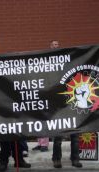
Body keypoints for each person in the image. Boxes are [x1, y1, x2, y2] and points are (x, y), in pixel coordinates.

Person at [51, 40, 82, 168]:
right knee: (58, 136)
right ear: (50, 47)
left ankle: (75, 158)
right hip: (58, 106)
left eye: (57, 45)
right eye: (53, 45)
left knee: (75, 134)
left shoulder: (67, 62)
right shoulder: (47, 63)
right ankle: (56, 159)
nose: (55, 46)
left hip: (72, 103)